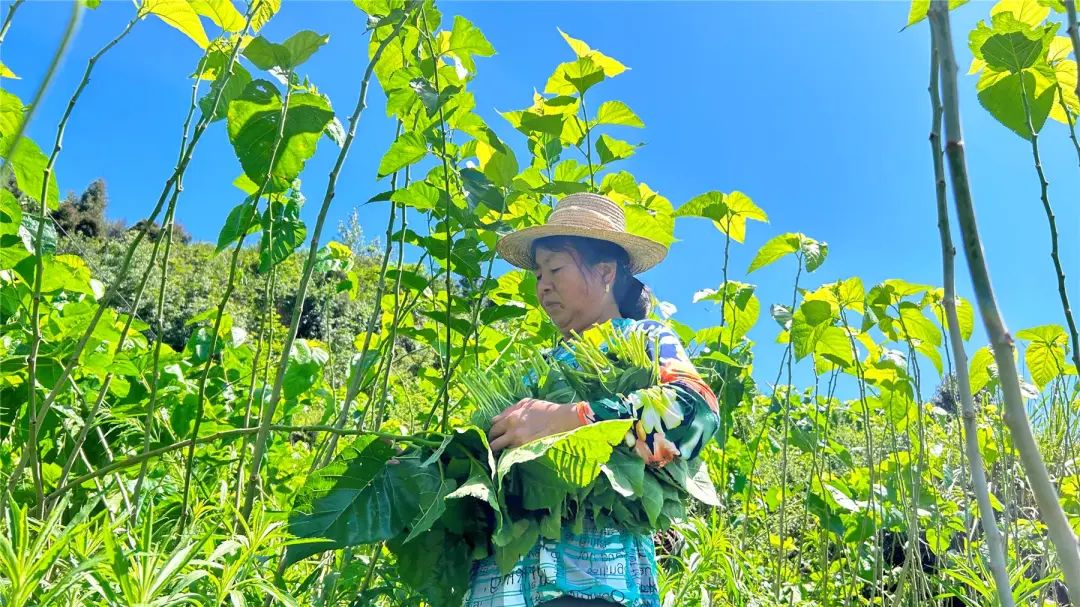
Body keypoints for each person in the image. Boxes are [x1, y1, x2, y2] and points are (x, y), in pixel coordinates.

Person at [463, 192, 721, 607]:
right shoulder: (537, 369)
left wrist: (570, 418)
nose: (543, 285)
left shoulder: (643, 339)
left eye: (555, 269)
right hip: (504, 587)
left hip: (593, 585)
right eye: (538, 275)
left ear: (604, 271)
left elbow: (694, 414)